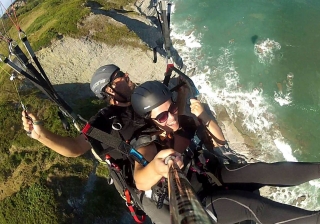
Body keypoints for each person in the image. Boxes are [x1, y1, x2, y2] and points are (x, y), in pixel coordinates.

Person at [130, 80, 320, 224]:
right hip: (197, 199)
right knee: (254, 207)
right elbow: (140, 179)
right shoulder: (148, 145)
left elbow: (219, 141)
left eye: (172, 108)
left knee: (265, 170)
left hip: (212, 174)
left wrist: (204, 116)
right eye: (162, 116)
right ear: (149, 120)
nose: (171, 117)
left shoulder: (183, 123)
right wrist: (156, 168)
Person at [21, 64, 170, 224]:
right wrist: (41, 135)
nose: (127, 75)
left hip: (169, 160)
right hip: (148, 186)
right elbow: (76, 147)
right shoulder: (105, 120)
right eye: (120, 76)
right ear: (110, 90)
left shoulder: (139, 101)